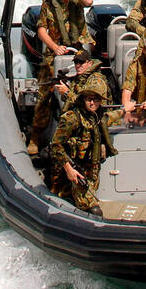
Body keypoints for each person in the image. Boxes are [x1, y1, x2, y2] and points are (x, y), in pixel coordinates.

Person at [27, 0, 94, 155]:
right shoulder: (48, 4)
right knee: (45, 94)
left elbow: (89, 2)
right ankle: (35, 136)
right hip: (55, 52)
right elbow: (41, 30)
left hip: (78, 51)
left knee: (89, 88)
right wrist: (54, 47)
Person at [47, 76, 116, 215]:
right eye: (88, 99)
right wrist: (68, 168)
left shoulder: (98, 116)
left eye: (96, 99)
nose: (92, 103)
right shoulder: (72, 118)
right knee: (93, 209)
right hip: (77, 169)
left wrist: (127, 111)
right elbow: (55, 145)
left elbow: (113, 116)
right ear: (83, 99)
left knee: (83, 199)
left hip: (93, 169)